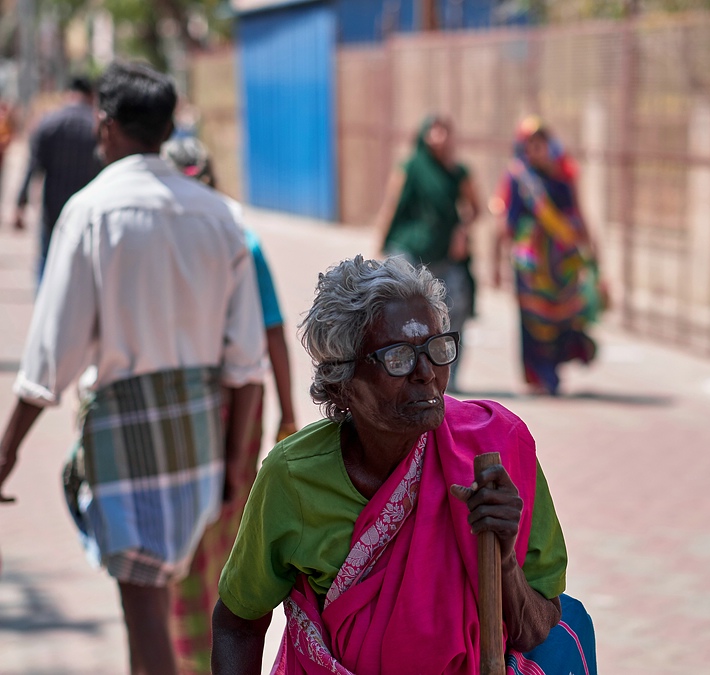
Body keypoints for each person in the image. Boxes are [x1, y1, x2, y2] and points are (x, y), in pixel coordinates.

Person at [0, 61, 267, 675]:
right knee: (160, 600)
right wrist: (234, 465)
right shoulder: (219, 216)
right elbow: (246, 362)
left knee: (144, 603)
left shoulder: (92, 212)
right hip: (200, 433)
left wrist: (8, 448)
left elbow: (50, 359)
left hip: (125, 432)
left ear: (106, 125)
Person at [211, 255, 596, 675]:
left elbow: (538, 630)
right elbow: (238, 624)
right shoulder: (293, 477)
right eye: (399, 358)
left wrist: (502, 559)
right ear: (341, 382)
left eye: (437, 348)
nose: (426, 373)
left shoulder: (496, 448)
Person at [161, 135, 298, 674]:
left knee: (218, 540)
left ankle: (192, 655)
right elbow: (270, 336)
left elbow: (271, 334)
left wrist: (286, 414)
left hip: (224, 408)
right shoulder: (219, 238)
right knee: (203, 542)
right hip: (210, 405)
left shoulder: (237, 242)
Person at [491, 116, 603, 396]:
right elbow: (505, 223)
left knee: (562, 318)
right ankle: (538, 373)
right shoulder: (519, 179)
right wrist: (495, 261)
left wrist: (593, 256)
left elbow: (577, 216)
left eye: (541, 144)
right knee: (532, 320)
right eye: (531, 145)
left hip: (562, 265)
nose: (536, 150)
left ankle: (554, 368)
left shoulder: (563, 179)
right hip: (530, 267)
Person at [374, 114, 481, 391]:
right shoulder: (410, 168)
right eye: (434, 131)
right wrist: (379, 244)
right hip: (410, 250)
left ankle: (449, 376)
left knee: (454, 309)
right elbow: (391, 206)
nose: (440, 137)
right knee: (399, 310)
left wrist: (462, 231)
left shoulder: (458, 173)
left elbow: (475, 208)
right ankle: (398, 370)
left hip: (445, 254)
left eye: (445, 131)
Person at [14, 74, 102, 282]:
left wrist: (20, 204)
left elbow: (32, 168)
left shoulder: (48, 123)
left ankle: (45, 309)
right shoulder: (98, 127)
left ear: (67, 94)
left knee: (47, 260)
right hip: (89, 211)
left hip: (52, 208)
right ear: (91, 96)